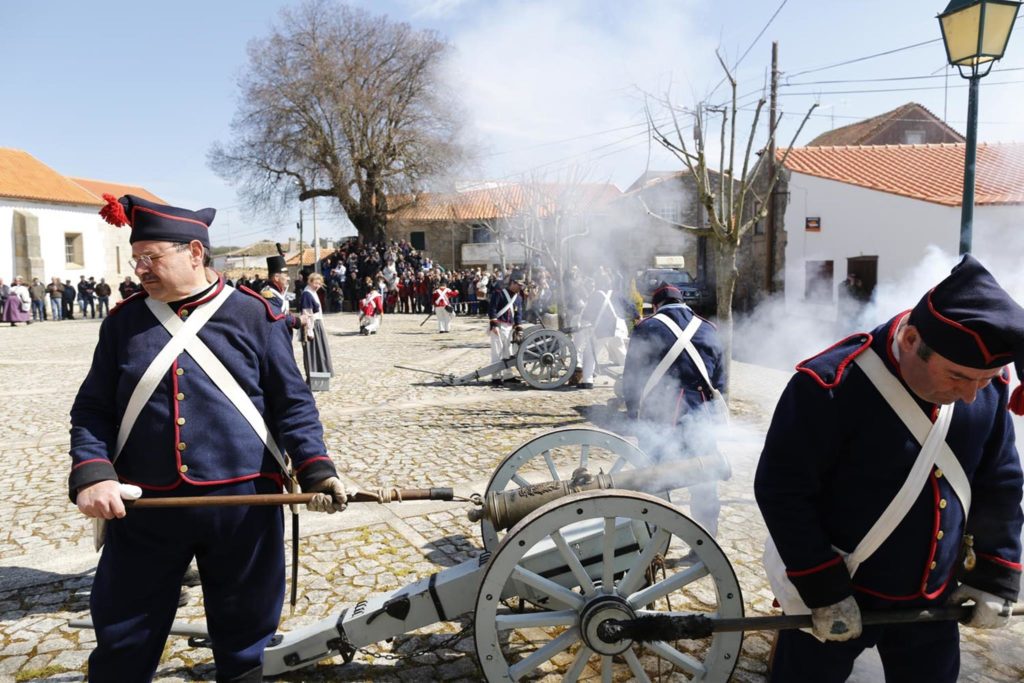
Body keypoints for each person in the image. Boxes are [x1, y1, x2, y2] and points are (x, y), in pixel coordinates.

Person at [70, 193, 347, 682]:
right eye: (137, 260)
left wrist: (316, 469)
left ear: (194, 253)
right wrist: (94, 474)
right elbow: (92, 409)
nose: (141, 270)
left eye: (151, 258)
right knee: (122, 638)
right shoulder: (122, 323)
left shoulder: (254, 315)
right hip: (145, 507)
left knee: (246, 642)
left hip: (242, 506)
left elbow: (292, 403)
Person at [754, 255, 1023, 683]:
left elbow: (1000, 483)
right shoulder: (828, 385)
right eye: (958, 377)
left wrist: (994, 572)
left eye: (985, 380)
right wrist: (824, 590)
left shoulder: (987, 388)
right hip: (839, 589)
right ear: (912, 339)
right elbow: (782, 491)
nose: (973, 396)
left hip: (932, 598)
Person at [621, 283, 728, 537]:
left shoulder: (646, 328)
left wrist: (635, 416)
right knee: (704, 481)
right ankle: (706, 539)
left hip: (659, 417)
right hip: (699, 416)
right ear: (683, 302)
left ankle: (652, 541)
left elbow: (632, 379)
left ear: (656, 305)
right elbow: (720, 383)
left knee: (653, 481)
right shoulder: (709, 329)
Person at [578, 275, 631, 389]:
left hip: (604, 329)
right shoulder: (617, 294)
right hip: (619, 329)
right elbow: (631, 308)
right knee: (621, 353)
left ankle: (587, 380)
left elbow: (587, 314)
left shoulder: (596, 295)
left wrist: (583, 325)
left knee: (590, 353)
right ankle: (630, 378)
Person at [488, 272, 524, 387]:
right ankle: (496, 377)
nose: (520, 287)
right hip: (498, 325)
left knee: (508, 352)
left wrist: (518, 326)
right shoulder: (499, 293)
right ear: (513, 283)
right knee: (497, 352)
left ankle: (508, 375)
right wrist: (494, 325)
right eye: (519, 284)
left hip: (509, 327)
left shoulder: (518, 297)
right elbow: (492, 309)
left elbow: (518, 313)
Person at [299, 272, 334, 384]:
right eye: (315, 283)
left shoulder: (313, 293)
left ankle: (320, 380)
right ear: (310, 281)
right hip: (312, 326)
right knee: (313, 354)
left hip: (317, 325)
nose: (317, 286)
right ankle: (314, 381)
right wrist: (309, 331)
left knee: (320, 353)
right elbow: (307, 313)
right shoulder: (307, 294)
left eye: (319, 283)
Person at [260, 255, 301, 340]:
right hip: (274, 338)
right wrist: (297, 321)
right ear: (276, 278)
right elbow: (277, 316)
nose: (288, 278)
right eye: (285, 275)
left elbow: (283, 310)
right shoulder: (268, 294)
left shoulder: (279, 292)